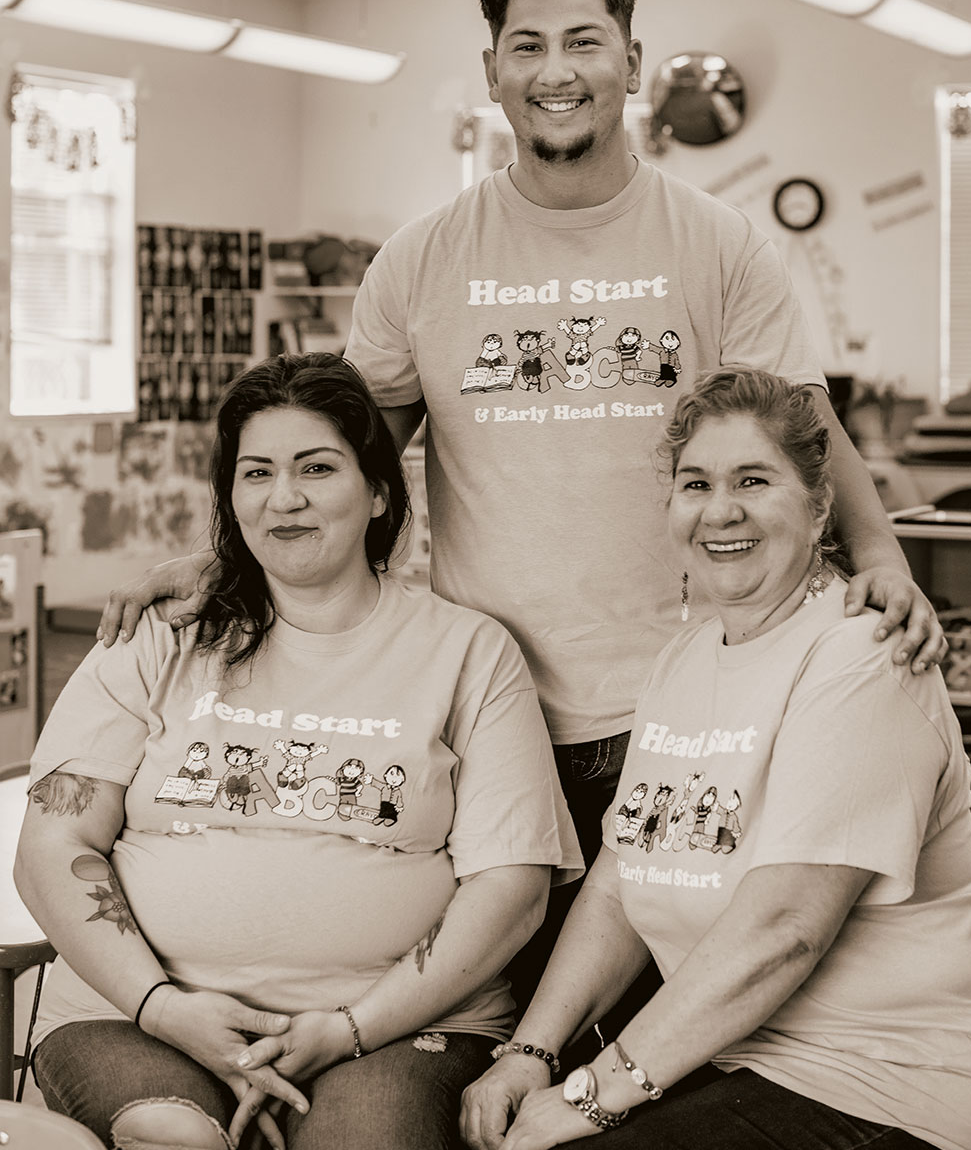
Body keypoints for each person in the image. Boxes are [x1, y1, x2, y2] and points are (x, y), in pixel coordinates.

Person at [97, 0, 944, 931]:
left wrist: (881, 554)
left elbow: (799, 428)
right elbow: (349, 461)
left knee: (677, 979)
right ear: (492, 70)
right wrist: (228, 558)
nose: (556, 72)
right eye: (528, 46)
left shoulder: (720, 245)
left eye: (584, 42)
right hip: (484, 705)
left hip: (684, 695)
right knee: (506, 989)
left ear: (631, 62)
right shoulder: (420, 259)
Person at [15, 353, 582, 1150]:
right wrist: (164, 1008)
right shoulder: (158, 636)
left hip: (395, 1027)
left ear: (378, 491)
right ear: (231, 496)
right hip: (138, 1014)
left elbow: (511, 886)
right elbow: (52, 845)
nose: (284, 498)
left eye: (317, 467)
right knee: (171, 1137)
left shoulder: (469, 652)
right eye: (257, 473)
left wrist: (350, 1027)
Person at [459, 368, 971, 1150]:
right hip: (735, 1062)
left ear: (819, 507)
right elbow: (619, 882)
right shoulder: (684, 660)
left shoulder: (862, 653)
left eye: (753, 480)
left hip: (888, 1085)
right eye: (696, 484)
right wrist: (530, 1053)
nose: (721, 511)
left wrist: (592, 1096)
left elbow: (785, 929)